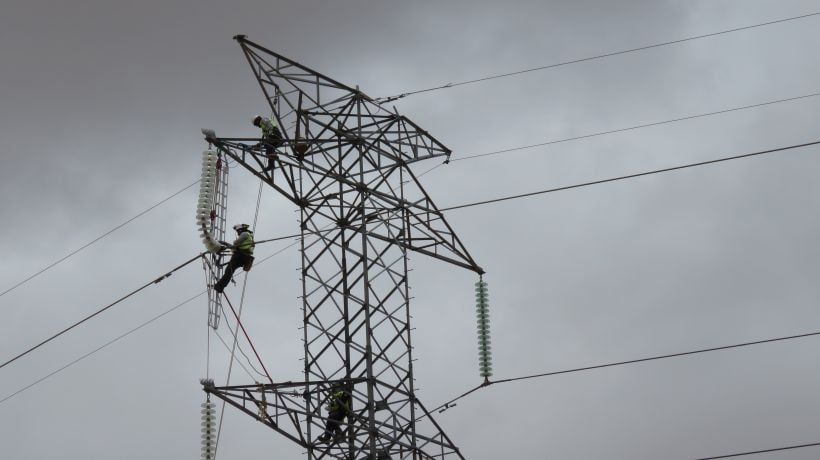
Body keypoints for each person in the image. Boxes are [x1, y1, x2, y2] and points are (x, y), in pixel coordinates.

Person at [214, 223, 255, 293]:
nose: (238, 233)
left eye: (238, 231)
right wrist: (225, 243)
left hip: (239, 256)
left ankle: (219, 287)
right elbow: (235, 248)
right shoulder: (250, 238)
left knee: (228, 272)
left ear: (241, 230)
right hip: (244, 257)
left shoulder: (245, 234)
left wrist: (230, 244)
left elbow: (235, 243)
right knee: (229, 271)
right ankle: (220, 286)